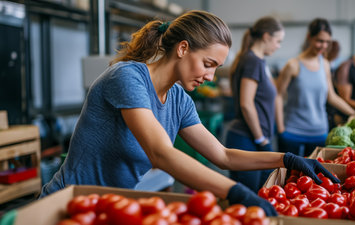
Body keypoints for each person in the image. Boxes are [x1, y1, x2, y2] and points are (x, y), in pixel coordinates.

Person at [39, 10, 339, 216]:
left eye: (216, 68)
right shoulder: (127, 77)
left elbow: (223, 156)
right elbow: (161, 153)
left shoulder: (179, 100)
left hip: (109, 209)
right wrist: (235, 192)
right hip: (65, 205)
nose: (210, 76)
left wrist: (286, 160)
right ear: (183, 48)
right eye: (208, 63)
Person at [275, 18, 355, 157]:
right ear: (309, 38)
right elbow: (278, 96)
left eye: (327, 42)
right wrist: (281, 129)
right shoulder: (292, 65)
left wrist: (354, 114)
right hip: (292, 132)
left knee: (314, 176)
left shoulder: (324, 64)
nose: (323, 46)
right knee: (287, 176)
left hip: (319, 133)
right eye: (319, 41)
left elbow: (331, 97)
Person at [225, 16, 285, 192]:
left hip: (253, 139)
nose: (278, 46)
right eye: (278, 41)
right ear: (266, 36)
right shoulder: (253, 61)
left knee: (257, 195)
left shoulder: (256, 60)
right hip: (248, 139)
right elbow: (246, 103)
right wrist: (261, 139)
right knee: (250, 199)